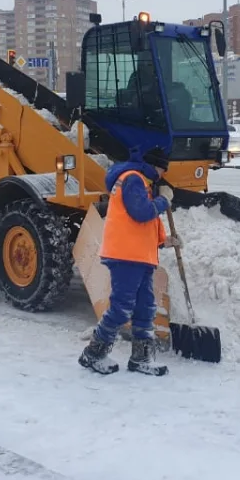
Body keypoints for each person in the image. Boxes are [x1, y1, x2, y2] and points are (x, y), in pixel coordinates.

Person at [79, 146, 181, 376]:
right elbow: (142, 212)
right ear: (155, 166)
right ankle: (93, 354)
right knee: (122, 308)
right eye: (162, 169)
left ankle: (140, 358)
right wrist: (164, 201)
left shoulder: (141, 182)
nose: (163, 175)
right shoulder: (133, 179)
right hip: (125, 256)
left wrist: (165, 241)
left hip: (139, 257)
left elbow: (141, 225)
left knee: (145, 307)